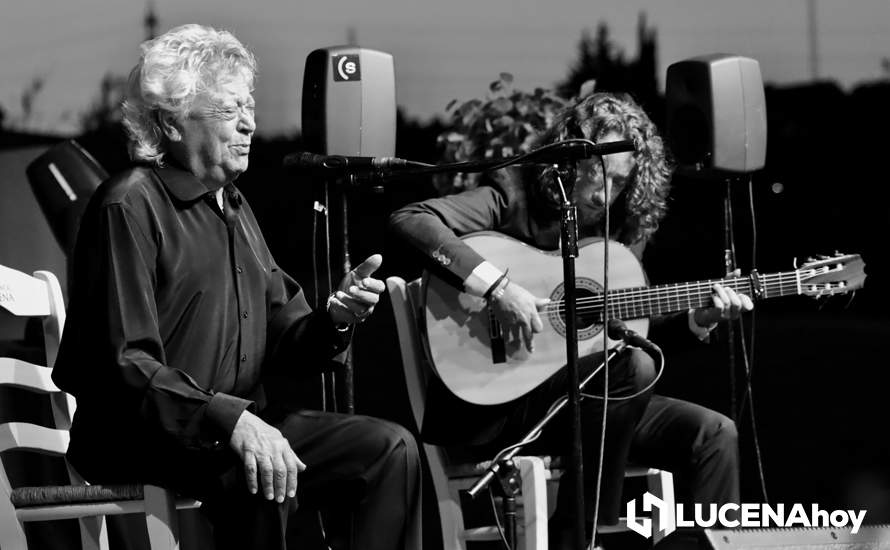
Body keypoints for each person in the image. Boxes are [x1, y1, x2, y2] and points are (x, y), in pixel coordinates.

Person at [52, 24, 420, 550]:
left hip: (232, 426)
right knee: (260, 468)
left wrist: (334, 319)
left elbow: (285, 334)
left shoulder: (235, 207)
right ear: (172, 123)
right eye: (229, 110)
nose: (250, 122)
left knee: (389, 448)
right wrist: (230, 419)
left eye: (249, 106)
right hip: (146, 433)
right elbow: (123, 361)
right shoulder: (129, 203)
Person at [389, 90, 752, 547]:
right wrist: (498, 288)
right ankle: (578, 537)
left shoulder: (618, 232)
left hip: (596, 407)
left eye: (620, 183)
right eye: (596, 176)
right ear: (567, 159)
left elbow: (624, 333)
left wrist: (697, 320)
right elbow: (412, 219)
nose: (604, 194)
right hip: (501, 401)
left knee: (714, 434)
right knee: (630, 371)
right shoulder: (512, 192)